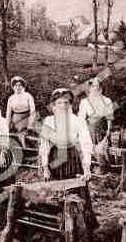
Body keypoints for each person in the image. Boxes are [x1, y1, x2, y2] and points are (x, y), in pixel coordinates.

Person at [39, 88, 98, 229]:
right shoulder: (49, 121)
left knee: (76, 192)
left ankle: (82, 229)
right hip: (55, 159)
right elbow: (44, 145)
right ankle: (58, 227)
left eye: (66, 102)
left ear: (70, 104)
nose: (63, 106)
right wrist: (46, 167)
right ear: (53, 105)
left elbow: (85, 143)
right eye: (59, 103)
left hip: (72, 159)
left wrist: (87, 167)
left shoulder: (77, 120)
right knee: (55, 193)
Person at [78, 77, 114, 173]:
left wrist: (106, 137)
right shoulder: (84, 102)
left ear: (101, 89)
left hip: (102, 132)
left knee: (102, 153)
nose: (94, 89)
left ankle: (104, 174)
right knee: (87, 153)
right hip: (88, 131)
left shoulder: (107, 101)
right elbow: (81, 120)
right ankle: (88, 172)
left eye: (97, 87)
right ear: (89, 88)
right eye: (92, 86)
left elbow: (109, 120)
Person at [5, 76, 36, 145]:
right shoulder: (11, 98)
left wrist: (30, 124)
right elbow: (8, 113)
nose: (17, 87)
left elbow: (33, 111)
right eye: (15, 85)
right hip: (15, 120)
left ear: (23, 86)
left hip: (26, 118)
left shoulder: (28, 96)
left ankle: (25, 148)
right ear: (13, 87)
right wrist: (7, 125)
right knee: (9, 134)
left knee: (24, 135)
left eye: (19, 85)